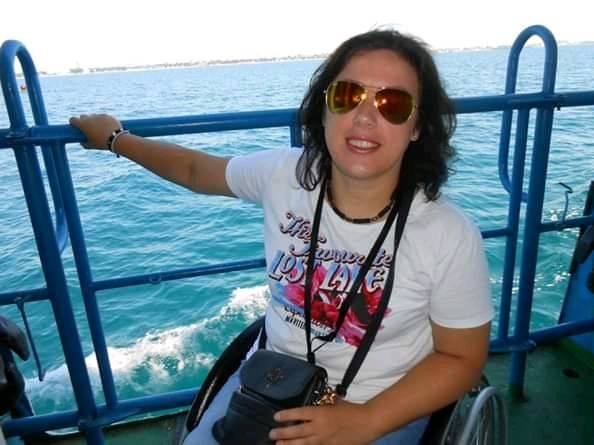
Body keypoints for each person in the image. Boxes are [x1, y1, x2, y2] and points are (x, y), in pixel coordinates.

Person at [70, 29, 493, 445]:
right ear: (324, 110)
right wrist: (115, 139)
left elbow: (461, 357)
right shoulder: (285, 176)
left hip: (379, 407)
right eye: (347, 96)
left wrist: (366, 421)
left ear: (417, 127)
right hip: (268, 384)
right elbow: (195, 170)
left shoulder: (447, 235)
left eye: (393, 103)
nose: (365, 116)